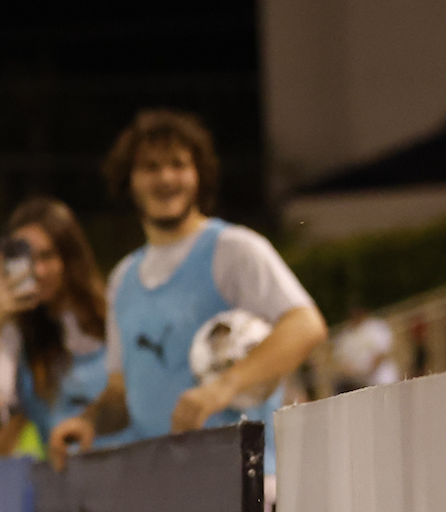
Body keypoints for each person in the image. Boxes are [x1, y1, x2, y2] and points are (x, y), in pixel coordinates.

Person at [49, 110, 326, 468]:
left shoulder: (233, 249)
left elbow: (306, 325)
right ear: (129, 180)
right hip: (163, 485)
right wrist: (87, 422)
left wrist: (221, 387)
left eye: (178, 164)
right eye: (150, 167)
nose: (166, 177)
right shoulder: (122, 279)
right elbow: (120, 391)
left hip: (243, 478)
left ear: (199, 175)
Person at [0, 197, 114, 452]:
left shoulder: (113, 312)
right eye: (28, 260)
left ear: (69, 256)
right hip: (70, 484)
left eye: (47, 255)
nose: (39, 271)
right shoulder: (19, 335)